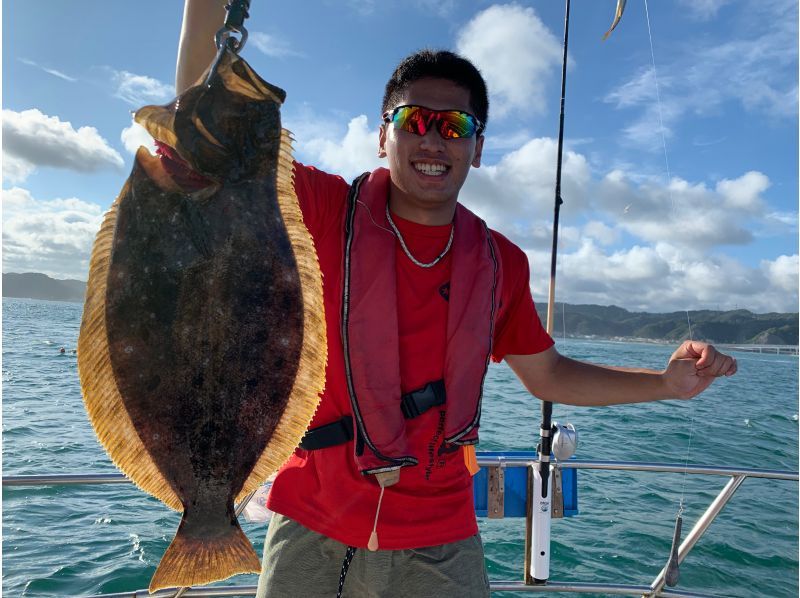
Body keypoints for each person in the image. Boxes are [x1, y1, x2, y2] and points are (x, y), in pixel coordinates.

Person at [172, 2, 738, 596]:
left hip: (441, 537)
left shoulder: (501, 264)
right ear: (382, 135)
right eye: (414, 119)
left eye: (456, 126)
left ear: (478, 147)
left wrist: (665, 384)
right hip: (312, 521)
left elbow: (547, 375)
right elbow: (205, 137)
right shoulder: (319, 210)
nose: (432, 139)